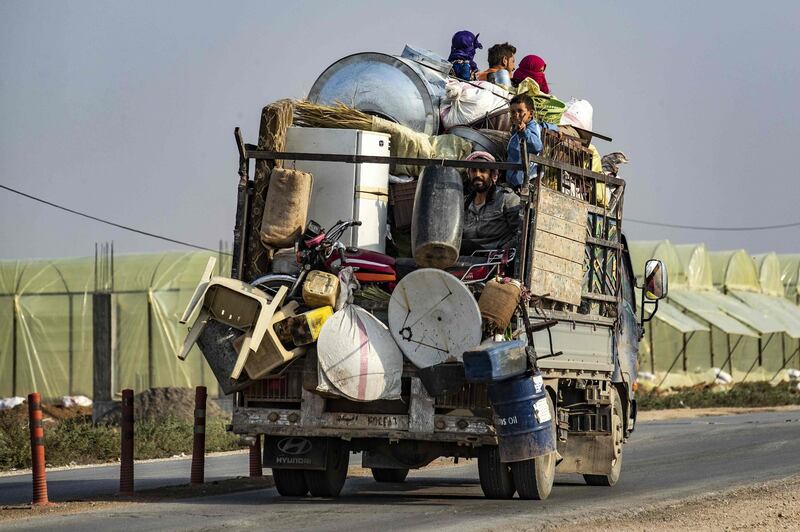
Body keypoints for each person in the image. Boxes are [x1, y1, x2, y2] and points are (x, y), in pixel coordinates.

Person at [461, 151, 521, 255]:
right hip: (465, 260)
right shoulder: (462, 203)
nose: (477, 175)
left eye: (483, 170)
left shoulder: (506, 199)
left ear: (493, 175)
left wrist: (502, 251)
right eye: (473, 171)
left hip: (493, 262)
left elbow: (521, 232)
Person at [506, 94, 543, 188]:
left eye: (520, 111)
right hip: (514, 181)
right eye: (513, 112)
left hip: (526, 182)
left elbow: (537, 146)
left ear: (530, 113)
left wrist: (524, 131)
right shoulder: (516, 130)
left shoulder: (532, 127)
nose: (516, 115)